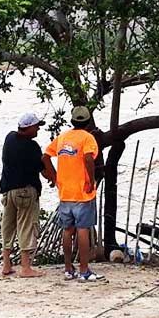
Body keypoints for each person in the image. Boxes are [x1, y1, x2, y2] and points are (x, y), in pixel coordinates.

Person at [42, 106, 104, 281]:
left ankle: (68, 268)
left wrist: (55, 178)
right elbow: (88, 158)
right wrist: (90, 181)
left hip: (65, 193)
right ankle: (84, 270)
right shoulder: (87, 138)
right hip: (82, 193)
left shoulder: (62, 138)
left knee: (67, 230)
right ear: (88, 121)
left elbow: (45, 156)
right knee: (83, 229)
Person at [0, 113, 54, 277]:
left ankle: (6, 264)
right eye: (36, 126)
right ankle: (25, 267)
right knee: (27, 226)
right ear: (28, 128)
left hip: (8, 190)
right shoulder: (32, 147)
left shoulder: (9, 139)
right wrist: (54, 178)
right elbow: (43, 170)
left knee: (7, 226)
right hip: (25, 191)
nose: (38, 129)